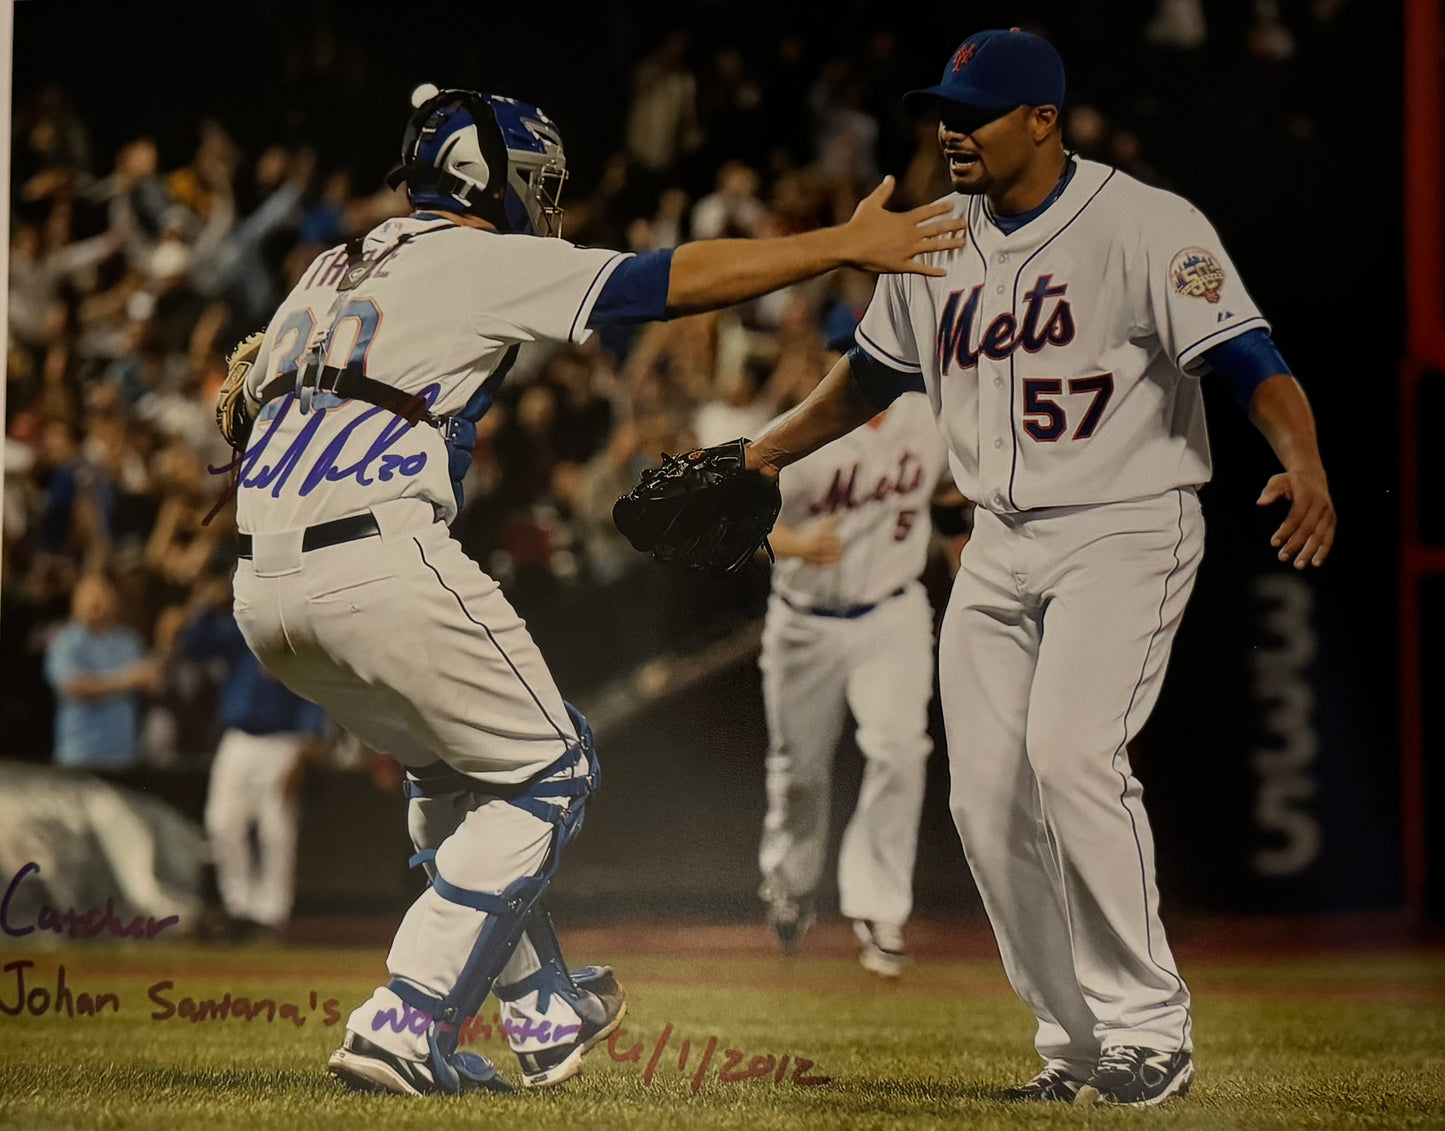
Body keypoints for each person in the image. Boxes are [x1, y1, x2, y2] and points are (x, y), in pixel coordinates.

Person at [222, 83, 966, 1097]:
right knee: (549, 772)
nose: (545, 197)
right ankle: (405, 1014)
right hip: (374, 557)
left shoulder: (330, 263)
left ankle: (539, 1010)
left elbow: (245, 401)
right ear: (487, 177)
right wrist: (837, 241)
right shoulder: (471, 254)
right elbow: (668, 282)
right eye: (534, 179)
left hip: (264, 584)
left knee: (454, 779)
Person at [736, 29, 1335, 1107]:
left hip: (1123, 524)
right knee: (981, 801)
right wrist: (760, 452)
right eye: (943, 112)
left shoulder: (1145, 224)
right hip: (1000, 544)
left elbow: (1250, 358)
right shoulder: (931, 241)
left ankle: (1148, 1026)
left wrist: (1302, 462)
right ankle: (1076, 1045)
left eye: (974, 113)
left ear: (1042, 119)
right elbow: (865, 380)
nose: (949, 132)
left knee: (1069, 756)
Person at [757, 390, 958, 978]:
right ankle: (789, 882)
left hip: (893, 611)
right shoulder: (798, 432)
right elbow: (740, 528)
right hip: (804, 622)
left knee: (899, 752)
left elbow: (948, 496)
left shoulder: (930, 417)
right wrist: (796, 543)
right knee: (799, 771)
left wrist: (961, 556)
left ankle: (880, 908)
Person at [179, 577, 327, 939]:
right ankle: (238, 907)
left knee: (276, 829)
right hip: (240, 738)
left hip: (284, 740)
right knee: (222, 822)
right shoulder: (242, 625)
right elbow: (193, 647)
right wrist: (203, 606)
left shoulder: (304, 628)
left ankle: (270, 914)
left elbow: (318, 688)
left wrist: (305, 746)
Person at [44, 573, 160, 767]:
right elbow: (71, 686)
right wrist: (126, 681)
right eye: (91, 595)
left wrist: (152, 678)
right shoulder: (65, 641)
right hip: (80, 753)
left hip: (123, 753)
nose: (98, 601)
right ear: (76, 600)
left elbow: (151, 682)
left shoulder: (128, 641)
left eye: (104, 594)